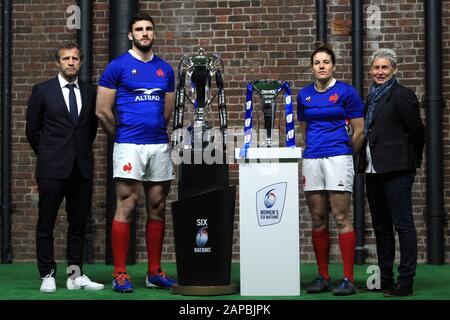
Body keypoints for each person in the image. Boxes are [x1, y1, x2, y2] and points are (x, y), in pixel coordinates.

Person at [96, 13, 176, 293]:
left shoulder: (165, 70)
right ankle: (120, 273)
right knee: (127, 204)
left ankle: (154, 272)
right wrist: (120, 137)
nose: (144, 33)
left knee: (157, 205)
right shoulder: (117, 67)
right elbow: (102, 111)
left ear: (154, 33)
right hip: (129, 145)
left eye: (148, 29)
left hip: (158, 144)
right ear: (130, 35)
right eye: (139, 29)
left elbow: (167, 111)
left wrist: (153, 132)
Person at [26, 41, 103, 293]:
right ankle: (47, 274)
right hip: (52, 168)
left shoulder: (91, 92)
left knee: (78, 224)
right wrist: (49, 154)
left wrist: (77, 153)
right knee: (46, 223)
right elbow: (32, 130)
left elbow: (89, 130)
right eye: (66, 59)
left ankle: (74, 275)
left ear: (80, 62)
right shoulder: (43, 91)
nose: (71, 62)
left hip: (81, 168)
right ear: (57, 62)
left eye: (75, 59)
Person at [297, 43, 365, 296]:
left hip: (338, 157)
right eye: (317, 62)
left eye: (326, 62)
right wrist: (313, 148)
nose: (322, 66)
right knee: (318, 218)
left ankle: (348, 279)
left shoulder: (347, 92)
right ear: (312, 67)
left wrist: (346, 154)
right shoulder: (304, 95)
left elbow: (359, 131)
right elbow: (304, 128)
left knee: (340, 217)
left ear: (333, 65)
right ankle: (323, 277)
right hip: (313, 158)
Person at [358, 48, 425, 297]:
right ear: (371, 71)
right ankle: (386, 279)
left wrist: (410, 160)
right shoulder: (370, 97)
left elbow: (417, 132)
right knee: (381, 226)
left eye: (385, 67)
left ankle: (405, 281)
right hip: (373, 169)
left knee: (403, 225)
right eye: (376, 68)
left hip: (398, 169)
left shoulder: (402, 95)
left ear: (394, 70)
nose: (380, 72)